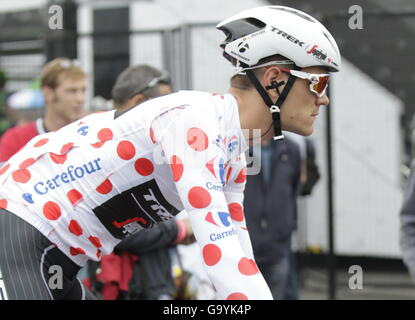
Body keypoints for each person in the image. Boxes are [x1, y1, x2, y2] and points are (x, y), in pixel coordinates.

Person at [0, 5, 341, 300]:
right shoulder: (196, 123)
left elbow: (238, 256)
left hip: (60, 255)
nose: (323, 98)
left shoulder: (234, 147)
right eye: (319, 83)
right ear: (274, 79)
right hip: (19, 226)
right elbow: (218, 252)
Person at [85, 65, 196, 300]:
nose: (172, 117)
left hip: (153, 280)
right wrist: (179, 229)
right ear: (138, 101)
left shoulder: (144, 147)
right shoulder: (103, 150)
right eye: (165, 107)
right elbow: (119, 228)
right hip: (126, 287)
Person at [243, 134, 302, 299]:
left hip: (277, 246)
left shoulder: (291, 150)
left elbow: (294, 189)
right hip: (246, 247)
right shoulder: (240, 149)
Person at [0, 58, 87, 162]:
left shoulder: (90, 135)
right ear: (48, 93)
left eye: (83, 90)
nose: (81, 99)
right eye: (72, 91)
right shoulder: (16, 139)